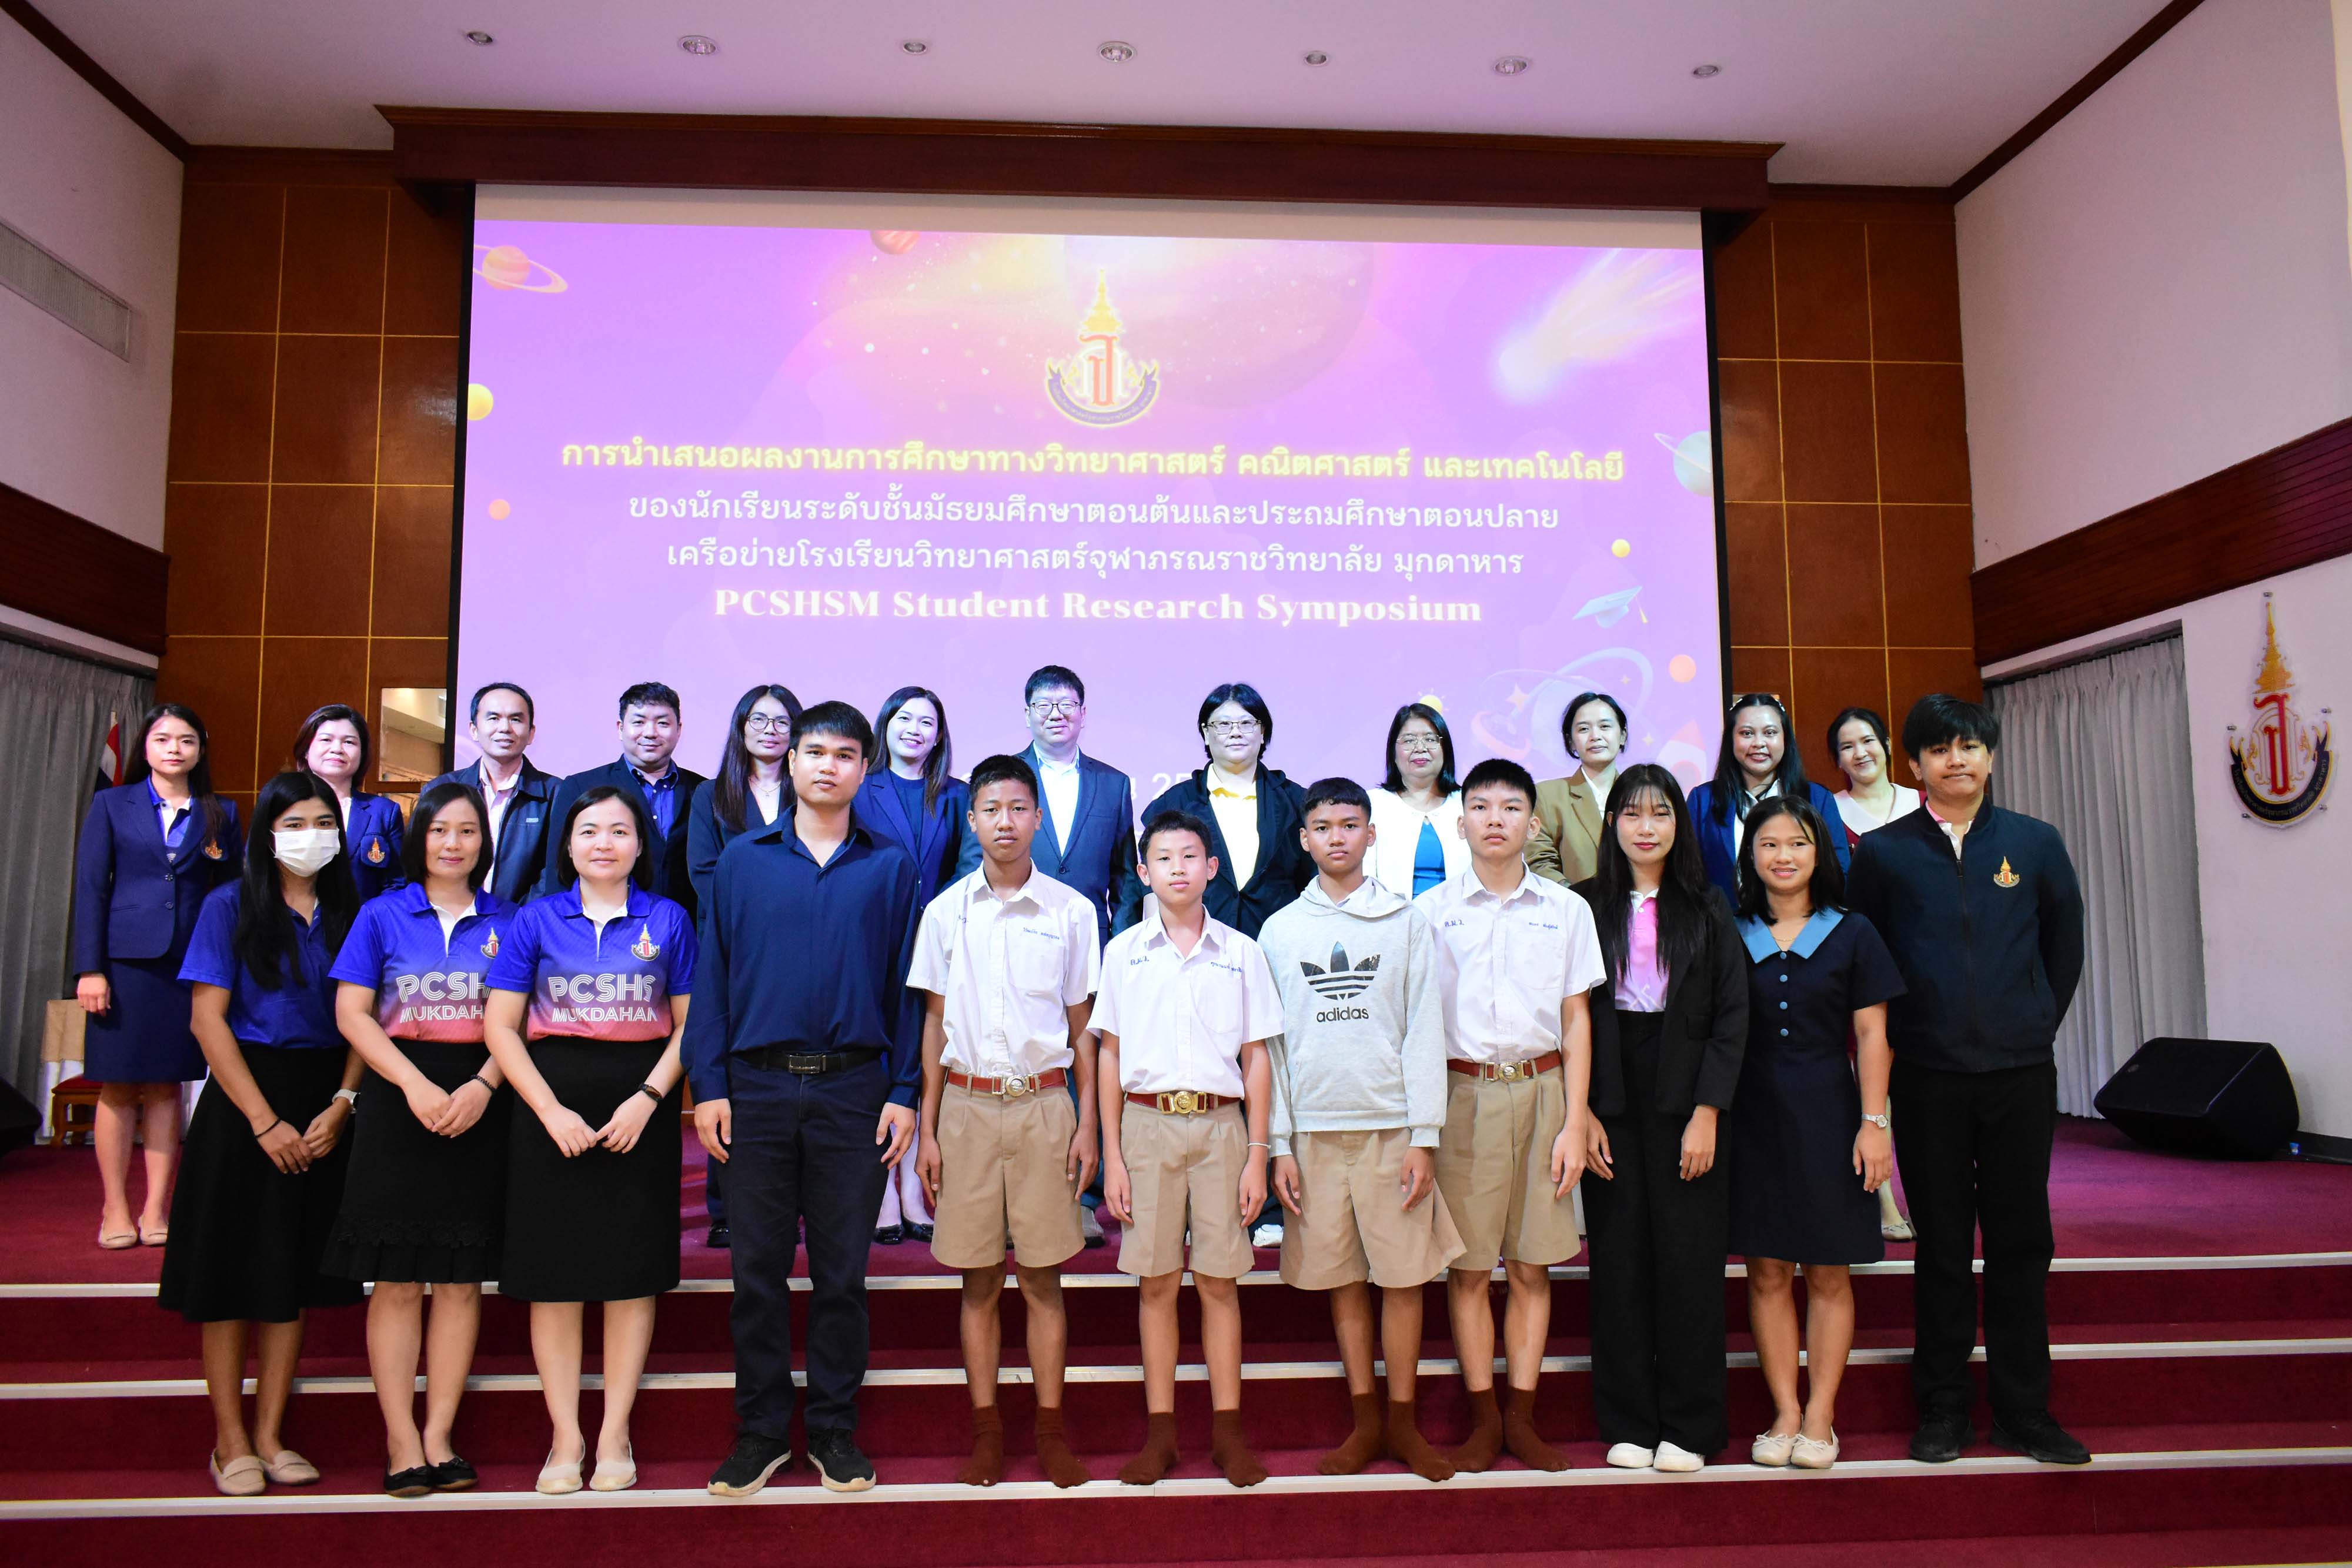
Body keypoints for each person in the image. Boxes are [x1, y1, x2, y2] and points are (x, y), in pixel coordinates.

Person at [1847, 694, 2089, 1468]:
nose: (1957, 760)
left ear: (1990, 756)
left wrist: (2034, 1020)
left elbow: (2064, 944)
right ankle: (1944, 1407)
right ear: (1913, 765)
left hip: (2019, 1074)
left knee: (2022, 1241)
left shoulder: (2035, 842)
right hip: (1928, 1077)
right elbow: (1867, 964)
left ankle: (2025, 1410)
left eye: (1970, 746)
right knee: (1943, 1246)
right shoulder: (1882, 854)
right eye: (1940, 749)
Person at [687, 701, 921, 1498]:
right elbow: (713, 977)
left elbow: (906, 990)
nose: (828, 766)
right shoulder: (743, 861)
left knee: (841, 1274)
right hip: (753, 1087)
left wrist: (903, 1089)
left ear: (864, 769)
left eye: (845, 754)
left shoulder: (889, 866)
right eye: (814, 751)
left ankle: (832, 1428)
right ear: (789, 763)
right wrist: (709, 1085)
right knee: (755, 1270)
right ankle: (760, 1431)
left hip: (854, 1090)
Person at [158, 770, 365, 1497]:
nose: (312, 836)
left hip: (324, 1102)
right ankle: (230, 1439)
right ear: (268, 834)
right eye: (295, 824)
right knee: (231, 1276)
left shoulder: (353, 911)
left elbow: (363, 1018)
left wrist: (343, 1103)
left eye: (323, 823)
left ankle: (272, 1433)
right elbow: (207, 1021)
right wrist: (264, 1121)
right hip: (246, 1102)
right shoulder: (230, 905)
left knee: (292, 1275)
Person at [485, 785, 696, 1496]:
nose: (604, 843)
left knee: (630, 1275)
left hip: (640, 1107)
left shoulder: (668, 919)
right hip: (549, 1108)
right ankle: (565, 1436)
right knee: (555, 1279)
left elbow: (689, 1027)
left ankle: (613, 1433)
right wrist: (548, 1111)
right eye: (588, 831)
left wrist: (649, 1099)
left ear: (641, 844)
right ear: (568, 846)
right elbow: (500, 1027)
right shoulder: (535, 919)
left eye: (619, 830)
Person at [910, 754, 1101, 1489]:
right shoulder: (945, 911)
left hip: (1045, 1106)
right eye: (991, 809)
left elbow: (1084, 1029)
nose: (1005, 822)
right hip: (965, 1106)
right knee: (980, 1280)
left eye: (1019, 809)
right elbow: (934, 1025)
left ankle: (1051, 1431)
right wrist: (928, 1129)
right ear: (972, 820)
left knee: (1045, 1278)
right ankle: (987, 1432)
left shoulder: (1071, 911)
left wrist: (1087, 1125)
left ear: (1038, 818)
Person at [1261, 777, 1461, 1480]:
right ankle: (1366, 1420)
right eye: (1323, 827)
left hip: (1392, 1129)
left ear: (1371, 834)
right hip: (1313, 1135)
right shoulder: (1281, 930)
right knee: (1343, 1278)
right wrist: (1278, 1144)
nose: (1337, 837)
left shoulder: (1405, 921)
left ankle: (1404, 1423)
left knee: (1402, 1279)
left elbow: (1423, 1031)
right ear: (1304, 839)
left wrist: (1424, 1135)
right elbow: (1272, 1049)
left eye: (1350, 824)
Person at [322, 781, 512, 1496]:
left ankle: (440, 1435)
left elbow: (521, 1017)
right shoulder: (381, 913)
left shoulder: (509, 918)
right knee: (398, 1279)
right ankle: (401, 1438)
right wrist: (411, 1084)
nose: (453, 843)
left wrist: (483, 1086)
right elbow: (353, 1013)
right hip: (399, 1095)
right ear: (419, 838)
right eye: (438, 830)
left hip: (480, 1097)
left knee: (460, 1282)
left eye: (467, 831)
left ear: (484, 841)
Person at [1420, 758, 1603, 1473]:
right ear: (1460, 820)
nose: (1494, 820)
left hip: (1544, 1091)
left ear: (1532, 822)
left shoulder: (1566, 909)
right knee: (1468, 1270)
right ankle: (1482, 1420)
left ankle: (1522, 1419)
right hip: (1460, 1095)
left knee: (1531, 1266)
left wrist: (1575, 1119)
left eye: (1510, 808)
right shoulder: (1428, 913)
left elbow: (1577, 1019)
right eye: (1480, 806)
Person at [1095, 809, 1282, 1489]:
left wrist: (1257, 1152)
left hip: (1221, 1127)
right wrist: (1114, 1157)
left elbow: (1256, 1058)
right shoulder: (1124, 953)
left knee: (1219, 1281)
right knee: (1155, 1283)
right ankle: (1162, 1434)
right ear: (1143, 873)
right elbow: (1109, 1057)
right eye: (1163, 858)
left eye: (1190, 856)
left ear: (1212, 868)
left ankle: (1228, 1433)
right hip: (1145, 1126)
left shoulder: (1242, 952)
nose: (1177, 868)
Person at [1575, 764, 1747, 1474]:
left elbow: (1732, 1016)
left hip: (1686, 1092)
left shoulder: (1706, 906)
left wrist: (1708, 1111)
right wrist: (1580, 1111)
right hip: (1608, 1089)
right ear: (1611, 823)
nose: (1646, 828)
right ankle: (1627, 1419)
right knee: (1618, 1260)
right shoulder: (1583, 905)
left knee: (1688, 1260)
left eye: (1661, 813)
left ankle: (1690, 1423)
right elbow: (1567, 1014)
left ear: (1679, 823)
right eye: (1632, 814)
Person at [1726, 796, 1903, 1472]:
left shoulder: (1852, 932)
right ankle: (1784, 1411)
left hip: (1830, 1114)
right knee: (1767, 1269)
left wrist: (1874, 1124)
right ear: (1750, 856)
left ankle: (1820, 1416)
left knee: (1828, 1270)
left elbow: (1872, 1034)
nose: (1783, 856)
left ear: (1819, 853)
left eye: (1797, 843)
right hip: (1750, 1119)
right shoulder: (1731, 930)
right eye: (1768, 844)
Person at [72, 703, 243, 1249]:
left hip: (188, 965)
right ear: (145, 746)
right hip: (123, 965)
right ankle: (114, 1207)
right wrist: (90, 968)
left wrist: (226, 966)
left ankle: (154, 1209)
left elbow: (233, 894)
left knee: (169, 1086)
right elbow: (91, 888)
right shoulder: (112, 803)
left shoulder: (221, 811)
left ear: (200, 749)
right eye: (164, 738)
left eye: (186, 740)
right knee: (120, 1085)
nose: (175, 749)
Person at [1005, 663, 1138, 1250]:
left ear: (1084, 713)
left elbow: (1125, 877)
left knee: (1089, 1067)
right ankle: (1020, 1196)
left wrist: (1119, 945)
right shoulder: (1005, 778)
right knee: (1023, 1065)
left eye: (1066, 704)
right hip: (1017, 944)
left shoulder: (1114, 784)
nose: (1056, 714)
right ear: (1027, 714)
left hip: (1091, 951)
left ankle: (1084, 1198)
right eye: (1044, 705)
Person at [685, 682, 804, 1250]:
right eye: (759, 719)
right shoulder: (711, 795)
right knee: (730, 1079)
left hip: (802, 950)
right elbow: (704, 873)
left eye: (782, 721)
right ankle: (726, 1206)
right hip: (735, 952)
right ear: (741, 727)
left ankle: (794, 1203)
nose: (771, 730)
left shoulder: (812, 791)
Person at [857, 685, 965, 1244]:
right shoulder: (860, 786)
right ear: (886, 724)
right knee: (883, 1055)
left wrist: (943, 917)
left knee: (927, 1055)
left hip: (942, 941)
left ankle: (914, 1187)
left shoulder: (957, 794)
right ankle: (881, 1187)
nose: (915, 729)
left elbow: (968, 865)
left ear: (939, 734)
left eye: (927, 721)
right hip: (876, 937)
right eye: (905, 718)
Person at [1825, 705, 1920, 1244]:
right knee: (1871, 1071)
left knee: (1921, 1077)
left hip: (1924, 960)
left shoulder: (1923, 804)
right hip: (1859, 958)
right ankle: (1882, 1196)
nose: (1859, 753)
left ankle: (1927, 1191)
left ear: (1886, 744)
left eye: (1867, 741)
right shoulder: (1829, 813)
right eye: (1846, 746)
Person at [1116, 681, 1313, 941]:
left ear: (1263, 732)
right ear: (1206, 734)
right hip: (1196, 944)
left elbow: (1312, 881)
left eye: (1247, 723)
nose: (1236, 733)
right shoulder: (1174, 804)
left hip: (1279, 943)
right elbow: (1151, 890)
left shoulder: (1296, 802)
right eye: (1223, 724)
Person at [540, 682, 705, 916]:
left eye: (663, 723)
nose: (650, 732)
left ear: (678, 729)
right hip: (604, 922)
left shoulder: (703, 790)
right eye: (639, 722)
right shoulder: (580, 786)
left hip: (684, 924)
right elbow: (559, 869)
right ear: (620, 728)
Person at [1686, 693, 1848, 901]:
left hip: (1802, 919)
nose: (1758, 743)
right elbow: (1688, 872)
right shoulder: (1702, 800)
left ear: (1785, 738)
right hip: (1723, 920)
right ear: (1731, 739)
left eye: (1770, 733)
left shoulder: (1817, 798)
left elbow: (1838, 871)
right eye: (1747, 733)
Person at [427, 682, 556, 906]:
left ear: (531, 733)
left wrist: (520, 919)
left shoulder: (555, 793)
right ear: (474, 730)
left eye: (516, 719)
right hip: (451, 916)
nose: (505, 728)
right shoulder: (441, 789)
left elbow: (554, 870)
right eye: (494, 718)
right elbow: (424, 858)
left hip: (523, 921)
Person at [292, 703, 406, 901]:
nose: (337, 749)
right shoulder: (284, 805)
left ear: (362, 754)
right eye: (326, 740)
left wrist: (370, 918)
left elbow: (396, 884)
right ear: (306, 750)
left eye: (349, 742)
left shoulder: (383, 812)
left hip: (364, 919)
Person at [1364, 702, 1468, 900]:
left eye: (1430, 739)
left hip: (1461, 916)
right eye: (1409, 741)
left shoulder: (1469, 804)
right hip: (1391, 916)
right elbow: (1363, 879)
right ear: (1393, 752)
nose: (1420, 748)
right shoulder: (1371, 804)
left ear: (1445, 749)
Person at [1528, 690, 1629, 886]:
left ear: (1622, 735)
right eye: (1584, 729)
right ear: (1571, 742)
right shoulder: (1547, 796)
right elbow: (1540, 863)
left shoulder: (1640, 794)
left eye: (1605, 726)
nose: (1595, 736)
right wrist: (1576, 899)